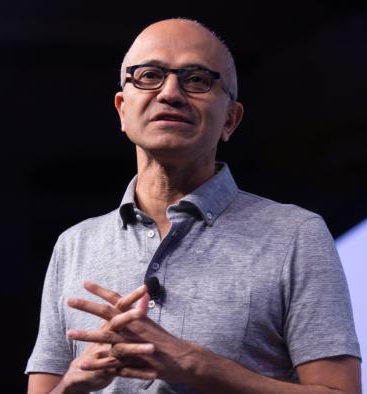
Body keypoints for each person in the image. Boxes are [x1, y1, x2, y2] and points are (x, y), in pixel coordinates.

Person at [25, 18, 361, 394]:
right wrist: (71, 384)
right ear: (122, 109)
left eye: (198, 79)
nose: (170, 93)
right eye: (149, 75)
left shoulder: (296, 235)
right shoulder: (74, 245)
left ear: (230, 120)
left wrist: (198, 366)